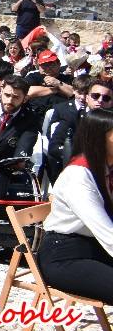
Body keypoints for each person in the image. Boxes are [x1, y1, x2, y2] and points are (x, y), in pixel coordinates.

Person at [39, 109, 113, 306]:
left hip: (94, 248)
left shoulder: (105, 169)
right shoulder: (78, 176)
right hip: (65, 256)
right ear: (99, 139)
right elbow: (106, 232)